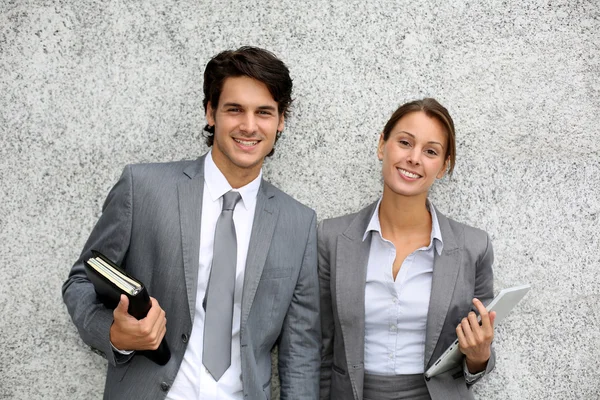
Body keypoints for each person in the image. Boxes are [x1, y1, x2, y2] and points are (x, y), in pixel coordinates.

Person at [62, 46, 320, 400]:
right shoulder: (143, 188)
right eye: (234, 109)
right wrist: (114, 333)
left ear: (281, 121)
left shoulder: (299, 222)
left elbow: (301, 349)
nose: (249, 125)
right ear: (210, 112)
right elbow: (80, 281)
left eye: (264, 112)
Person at [318, 98, 496, 400]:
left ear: (443, 167)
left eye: (430, 151)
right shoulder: (331, 238)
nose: (414, 158)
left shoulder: (473, 247)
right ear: (381, 146)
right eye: (404, 142)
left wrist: (479, 355)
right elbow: (316, 344)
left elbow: (480, 357)